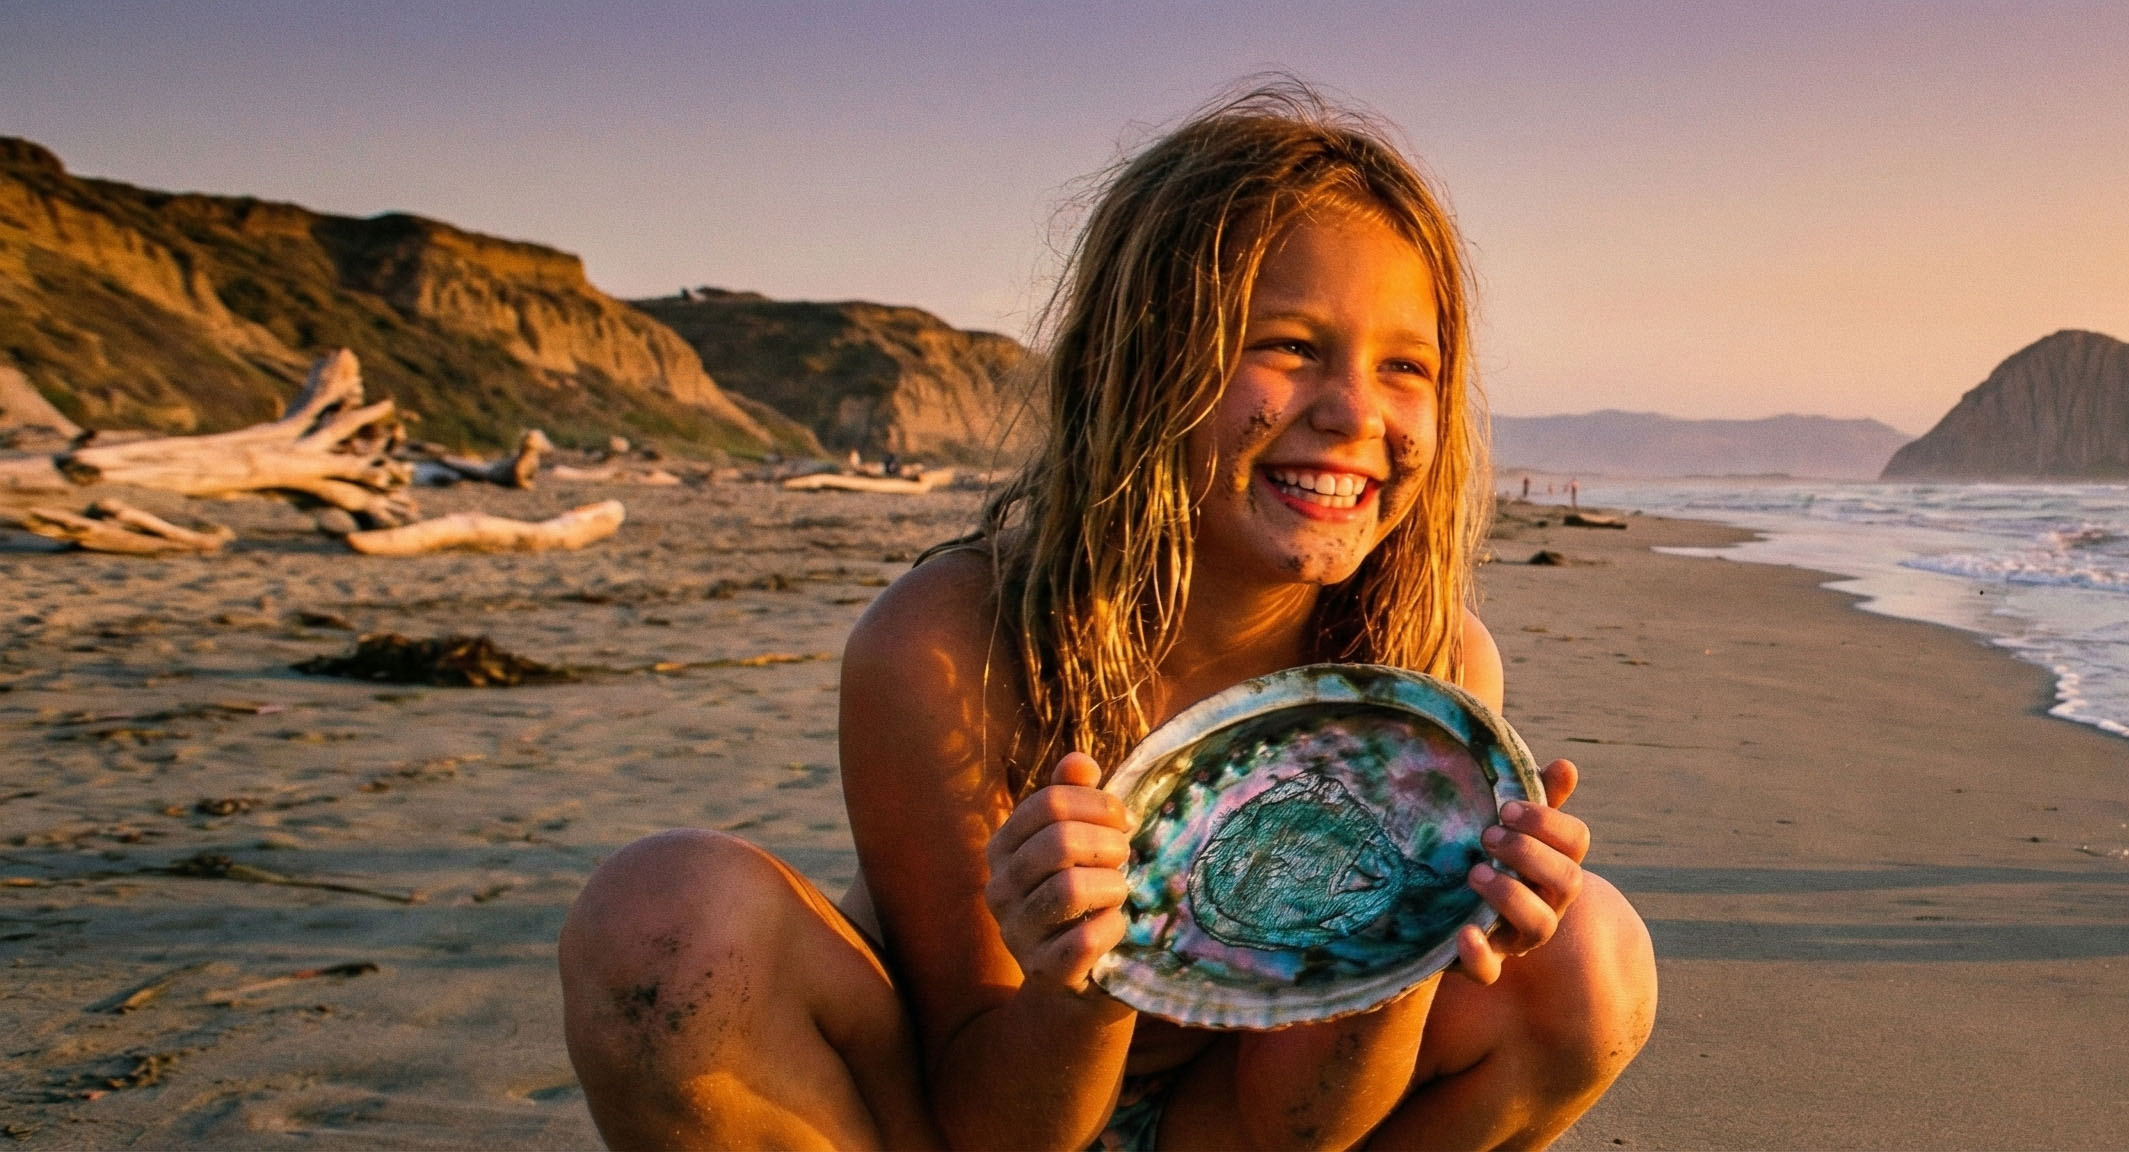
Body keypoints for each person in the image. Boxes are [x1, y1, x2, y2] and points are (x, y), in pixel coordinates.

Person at [556, 84, 1657, 1151]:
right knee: (667, 915)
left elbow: (1298, 1130)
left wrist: (1411, 957)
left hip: (1231, 1122)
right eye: (1284, 345)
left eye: (1405, 366)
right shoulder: (951, 641)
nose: (1352, 410)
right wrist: (1083, 982)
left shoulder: (1427, 673)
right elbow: (993, 1125)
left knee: (1589, 960)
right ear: (1134, 363)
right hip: (973, 1104)